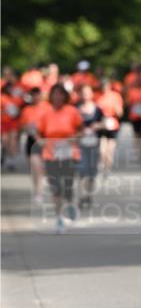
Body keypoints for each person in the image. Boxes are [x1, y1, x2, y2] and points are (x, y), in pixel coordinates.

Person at [36, 84, 83, 233]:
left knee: (67, 185)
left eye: (60, 94)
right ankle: (59, 218)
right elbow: (39, 133)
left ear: (65, 96)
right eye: (55, 94)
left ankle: (70, 204)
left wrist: (74, 138)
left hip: (69, 153)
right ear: (51, 96)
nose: (58, 97)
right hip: (51, 154)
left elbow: (81, 130)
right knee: (56, 187)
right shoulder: (45, 113)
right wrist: (41, 141)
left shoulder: (72, 111)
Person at [19, 87, 49, 203]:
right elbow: (21, 127)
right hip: (31, 141)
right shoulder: (27, 110)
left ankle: (40, 189)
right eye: (34, 95)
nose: (36, 97)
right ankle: (38, 191)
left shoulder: (47, 108)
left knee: (42, 167)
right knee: (34, 167)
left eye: (38, 95)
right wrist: (27, 128)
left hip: (45, 140)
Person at [77, 84, 103, 207]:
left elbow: (104, 124)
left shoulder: (97, 109)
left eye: (87, 92)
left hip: (94, 143)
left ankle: (89, 195)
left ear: (92, 94)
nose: (85, 95)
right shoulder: (75, 109)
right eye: (83, 93)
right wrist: (79, 132)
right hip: (79, 144)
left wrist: (97, 126)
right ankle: (82, 195)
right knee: (82, 170)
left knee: (92, 171)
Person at [96, 78, 124, 176]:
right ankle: (102, 165)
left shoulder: (116, 96)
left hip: (113, 124)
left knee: (110, 149)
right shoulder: (99, 97)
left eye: (105, 86)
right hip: (103, 125)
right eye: (102, 86)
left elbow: (120, 113)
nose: (104, 88)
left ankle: (107, 168)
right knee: (102, 149)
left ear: (109, 86)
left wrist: (116, 109)